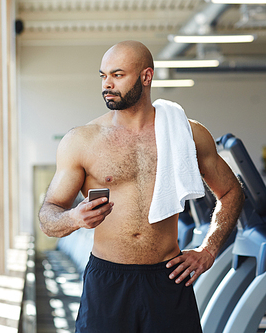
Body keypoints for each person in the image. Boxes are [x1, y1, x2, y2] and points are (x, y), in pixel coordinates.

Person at [38, 40, 244, 332]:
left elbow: (232, 191)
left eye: (117, 75)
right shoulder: (82, 141)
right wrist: (74, 218)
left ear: (146, 77)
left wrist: (208, 250)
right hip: (108, 281)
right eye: (103, 75)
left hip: (169, 277)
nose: (107, 84)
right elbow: (48, 216)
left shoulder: (187, 134)